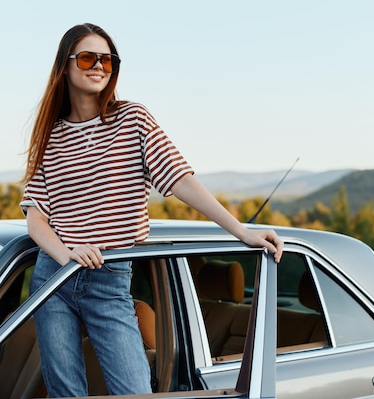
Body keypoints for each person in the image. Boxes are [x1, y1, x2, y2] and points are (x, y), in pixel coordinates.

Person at [20, 22, 284, 397]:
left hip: (109, 279)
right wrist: (67, 257)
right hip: (54, 277)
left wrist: (241, 231)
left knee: (134, 391)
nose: (99, 66)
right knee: (65, 394)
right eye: (88, 57)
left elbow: (180, 179)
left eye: (107, 61)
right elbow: (36, 218)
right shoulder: (51, 135)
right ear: (64, 66)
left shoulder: (132, 119)